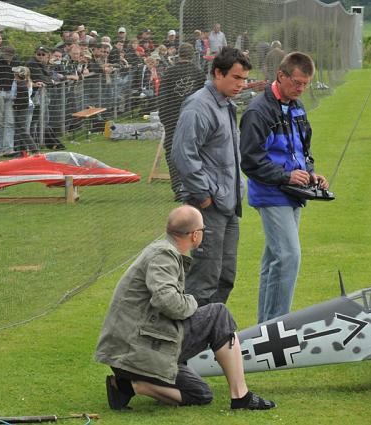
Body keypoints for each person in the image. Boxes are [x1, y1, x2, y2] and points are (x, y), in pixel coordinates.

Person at [95, 205, 275, 411]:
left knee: (201, 394)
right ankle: (241, 395)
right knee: (218, 314)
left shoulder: (162, 250)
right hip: (136, 353)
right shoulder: (163, 255)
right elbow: (166, 301)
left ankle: (128, 386)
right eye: (203, 230)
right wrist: (192, 302)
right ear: (195, 235)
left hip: (130, 354)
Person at [239, 52, 329, 323]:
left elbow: (303, 150)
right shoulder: (258, 111)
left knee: (274, 261)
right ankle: (279, 329)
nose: (301, 88)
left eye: (306, 83)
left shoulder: (298, 107)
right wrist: (286, 177)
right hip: (270, 192)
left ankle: (264, 328)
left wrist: (311, 174)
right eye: (298, 82)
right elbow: (250, 160)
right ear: (281, 75)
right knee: (289, 256)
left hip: (294, 193)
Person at [172, 47, 251, 306]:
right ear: (218, 73)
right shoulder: (198, 106)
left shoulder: (225, 104)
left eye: (244, 79)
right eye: (236, 78)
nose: (242, 84)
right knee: (204, 279)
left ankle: (212, 335)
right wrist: (204, 196)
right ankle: (190, 343)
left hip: (228, 205)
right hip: (208, 207)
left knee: (225, 276)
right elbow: (183, 154)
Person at [160, 43, 205, 202]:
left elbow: (162, 97)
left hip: (172, 117)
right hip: (193, 118)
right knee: (195, 150)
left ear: (178, 54)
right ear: (192, 55)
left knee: (172, 152)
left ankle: (178, 187)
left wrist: (163, 118)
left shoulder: (168, 73)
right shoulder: (198, 73)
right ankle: (194, 186)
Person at [11, 66, 39, 154]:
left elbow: (12, 95)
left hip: (20, 107)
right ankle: (24, 151)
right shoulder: (29, 82)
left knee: (21, 130)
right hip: (29, 106)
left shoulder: (16, 82)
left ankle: (33, 150)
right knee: (23, 130)